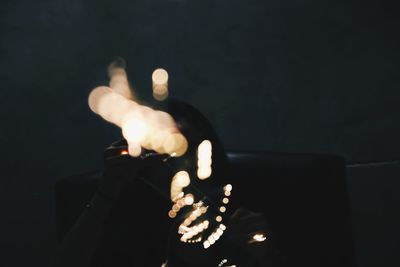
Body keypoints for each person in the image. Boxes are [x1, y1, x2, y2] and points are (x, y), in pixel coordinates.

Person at [52, 99, 277, 267]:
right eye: (166, 149)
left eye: (189, 148)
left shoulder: (234, 207)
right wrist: (107, 191)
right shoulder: (123, 209)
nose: (181, 163)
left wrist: (260, 255)